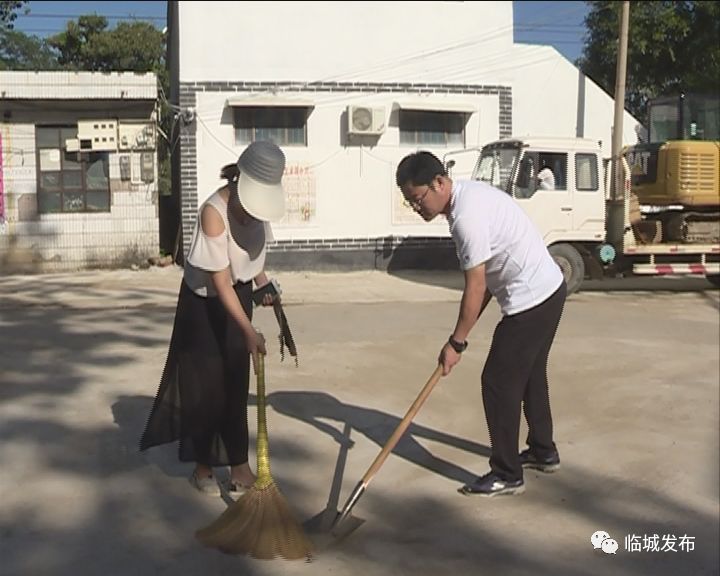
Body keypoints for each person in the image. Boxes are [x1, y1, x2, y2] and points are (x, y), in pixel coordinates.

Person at [395, 151, 567, 497]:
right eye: (410, 202)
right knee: (531, 374)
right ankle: (542, 451)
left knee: (498, 383)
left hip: (532, 299)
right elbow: (485, 282)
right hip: (550, 290)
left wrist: (456, 343)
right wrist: (462, 334)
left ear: (439, 183)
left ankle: (506, 472)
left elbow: (476, 285)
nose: (417, 207)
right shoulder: (471, 198)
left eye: (418, 199)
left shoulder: (465, 217)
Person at [140, 140, 287, 497]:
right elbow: (219, 280)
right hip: (203, 304)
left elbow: (253, 257)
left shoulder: (257, 213)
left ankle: (239, 468)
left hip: (237, 296)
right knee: (206, 388)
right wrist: (250, 332)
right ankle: (203, 465)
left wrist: (265, 285)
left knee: (235, 385)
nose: (254, 213)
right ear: (241, 182)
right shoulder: (213, 212)